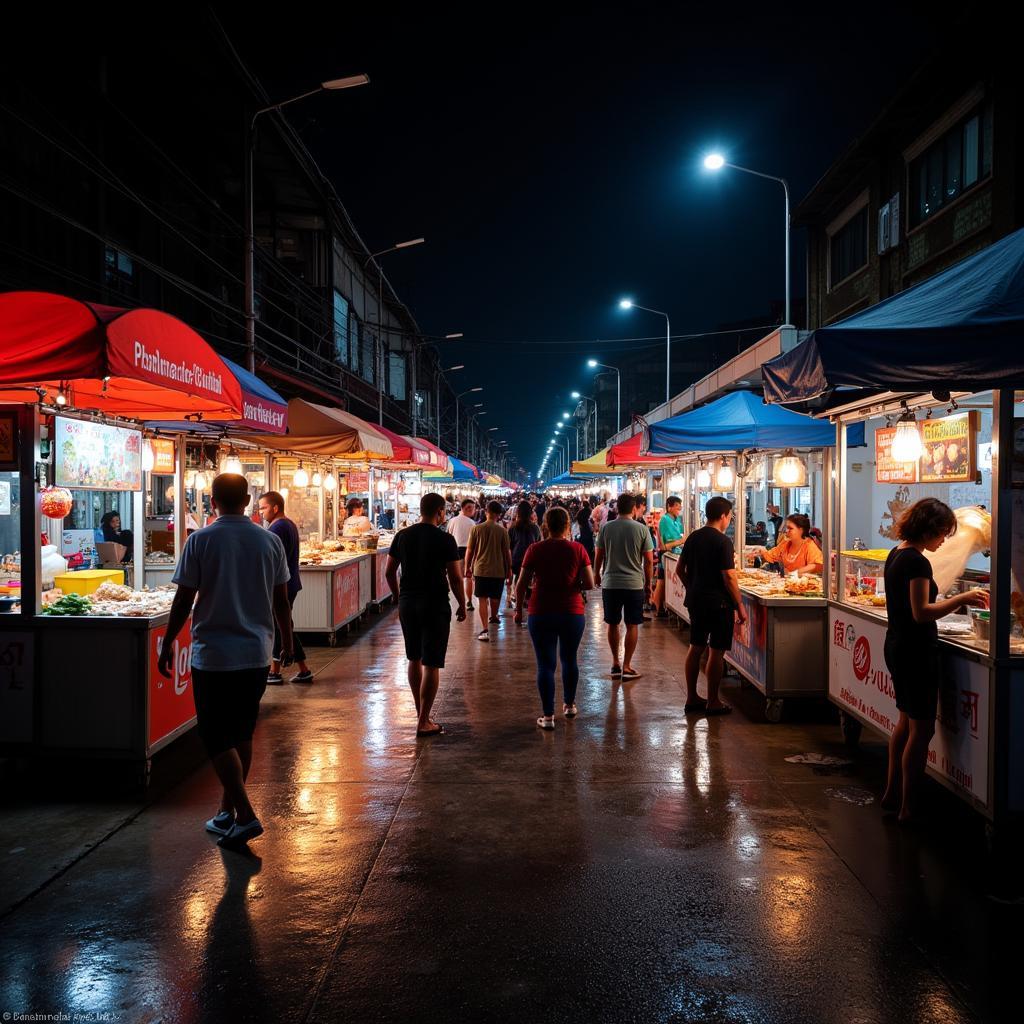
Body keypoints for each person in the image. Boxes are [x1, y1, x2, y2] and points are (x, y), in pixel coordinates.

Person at [159, 473, 293, 850]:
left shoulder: (200, 540)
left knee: (214, 735)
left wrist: (169, 640)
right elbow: (281, 600)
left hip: (214, 655)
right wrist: (288, 641)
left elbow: (184, 599)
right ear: (248, 501)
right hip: (255, 654)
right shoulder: (268, 541)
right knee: (240, 732)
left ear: (213, 501)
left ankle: (246, 815)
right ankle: (226, 813)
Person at [880, 498, 988, 823]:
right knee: (921, 730)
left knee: (904, 722)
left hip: (897, 646)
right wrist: (962, 599)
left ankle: (891, 792)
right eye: (942, 533)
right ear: (929, 529)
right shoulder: (917, 562)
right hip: (915, 652)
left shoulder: (897, 553)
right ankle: (909, 808)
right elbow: (921, 612)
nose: (944, 541)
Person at [385, 492, 467, 737]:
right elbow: (454, 577)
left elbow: (389, 572)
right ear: (440, 512)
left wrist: (399, 597)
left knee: (414, 657)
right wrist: (462, 604)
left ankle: (422, 712)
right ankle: (423, 720)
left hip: (409, 603)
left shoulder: (403, 536)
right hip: (435, 603)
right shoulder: (445, 540)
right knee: (432, 663)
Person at [515, 507, 594, 728]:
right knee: (569, 659)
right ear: (567, 525)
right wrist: (574, 585)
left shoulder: (535, 549)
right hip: (572, 612)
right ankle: (569, 705)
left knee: (545, 664)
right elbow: (589, 583)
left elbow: (521, 583)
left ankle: (548, 716)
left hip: (540, 611)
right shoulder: (578, 549)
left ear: (545, 525)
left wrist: (518, 611)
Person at [677, 496, 745, 716]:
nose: (730, 520)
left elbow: (679, 570)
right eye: (731, 516)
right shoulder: (723, 541)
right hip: (719, 604)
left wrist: (693, 587)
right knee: (716, 652)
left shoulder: (693, 537)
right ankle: (713, 701)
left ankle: (691, 698)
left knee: (695, 647)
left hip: (696, 601)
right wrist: (740, 605)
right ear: (724, 516)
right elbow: (729, 577)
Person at [593, 493, 654, 680]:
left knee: (612, 624)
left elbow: (599, 555)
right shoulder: (642, 529)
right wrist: (648, 584)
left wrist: (596, 574)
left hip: (610, 583)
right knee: (632, 625)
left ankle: (615, 662)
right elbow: (649, 561)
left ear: (617, 508)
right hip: (634, 584)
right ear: (634, 508)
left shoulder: (606, 528)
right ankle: (627, 665)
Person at [258, 491, 313, 684]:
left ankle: (274, 671)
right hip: (291, 582)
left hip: (282, 585)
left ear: (275, 507)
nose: (261, 511)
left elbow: (272, 560)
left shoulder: (277, 528)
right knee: (285, 625)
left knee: (280, 626)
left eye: (263, 507)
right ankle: (302, 669)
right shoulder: (288, 524)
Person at [465, 500, 512, 641]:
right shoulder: (502, 531)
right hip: (498, 570)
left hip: (481, 569)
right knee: (495, 597)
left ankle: (485, 629)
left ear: (486, 512)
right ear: (498, 515)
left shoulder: (476, 529)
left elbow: (470, 550)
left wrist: (467, 566)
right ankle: (494, 616)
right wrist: (509, 569)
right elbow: (506, 552)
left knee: (482, 599)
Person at [748, 513, 823, 576]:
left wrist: (796, 573)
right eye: (786, 528)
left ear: (801, 530)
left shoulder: (809, 545)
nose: (786, 531)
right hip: (787, 583)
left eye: (790, 528)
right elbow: (772, 554)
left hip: (805, 586)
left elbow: (817, 565)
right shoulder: (786, 543)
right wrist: (760, 552)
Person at [508, 500, 542, 614]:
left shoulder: (513, 528)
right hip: (532, 559)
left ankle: (519, 605)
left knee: (519, 580)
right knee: (530, 581)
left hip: (517, 558)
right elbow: (538, 543)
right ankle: (528, 602)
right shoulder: (535, 528)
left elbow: (510, 546)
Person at [654, 495, 685, 617]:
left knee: (663, 581)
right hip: (666, 554)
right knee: (661, 581)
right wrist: (683, 540)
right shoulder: (665, 520)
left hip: (674, 553)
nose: (679, 509)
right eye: (677, 507)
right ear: (669, 507)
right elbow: (666, 545)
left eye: (680, 507)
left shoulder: (676, 520)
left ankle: (661, 607)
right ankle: (658, 608)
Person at [447, 498, 478, 611]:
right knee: (467, 577)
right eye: (471, 507)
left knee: (455, 577)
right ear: (466, 508)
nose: (473, 510)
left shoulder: (452, 521)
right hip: (467, 551)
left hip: (454, 551)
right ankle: (468, 601)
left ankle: (459, 600)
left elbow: (448, 535)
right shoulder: (472, 523)